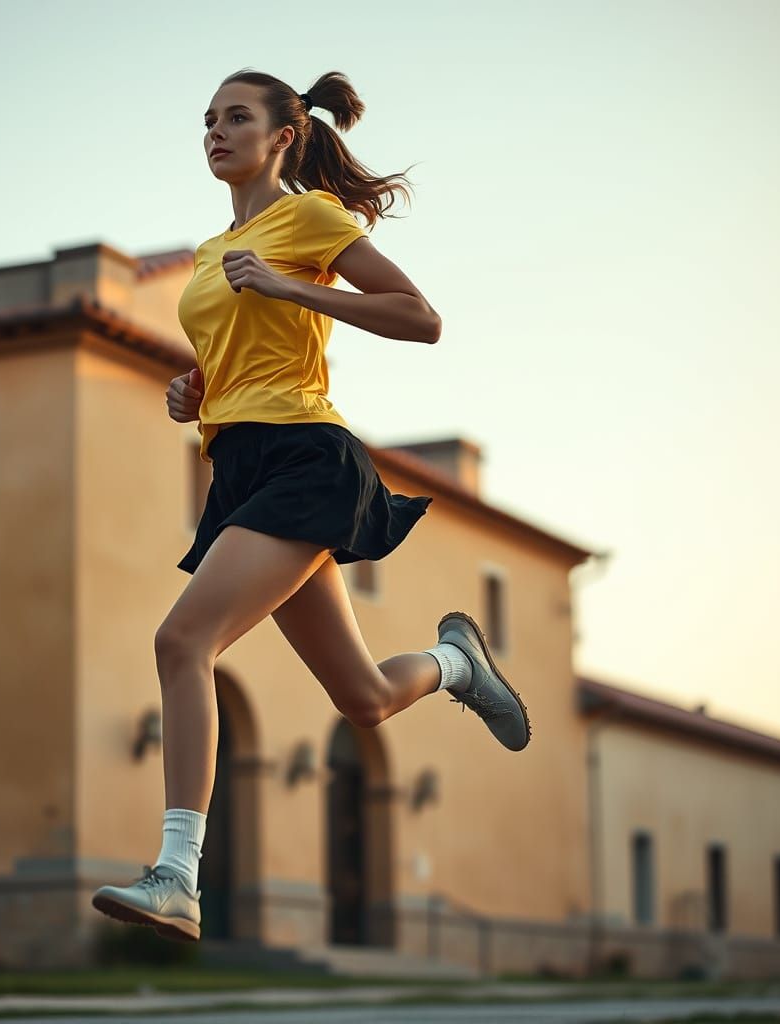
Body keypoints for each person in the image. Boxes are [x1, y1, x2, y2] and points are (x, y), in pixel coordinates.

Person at [91, 69, 531, 943]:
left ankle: (178, 874)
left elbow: (420, 317)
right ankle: (455, 664)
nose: (216, 132)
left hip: (305, 457)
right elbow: (242, 349)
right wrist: (197, 390)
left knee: (182, 642)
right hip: (239, 468)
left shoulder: (310, 219)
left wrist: (295, 287)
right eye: (208, 120)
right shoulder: (214, 253)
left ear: (283, 137)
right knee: (363, 699)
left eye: (237, 117)